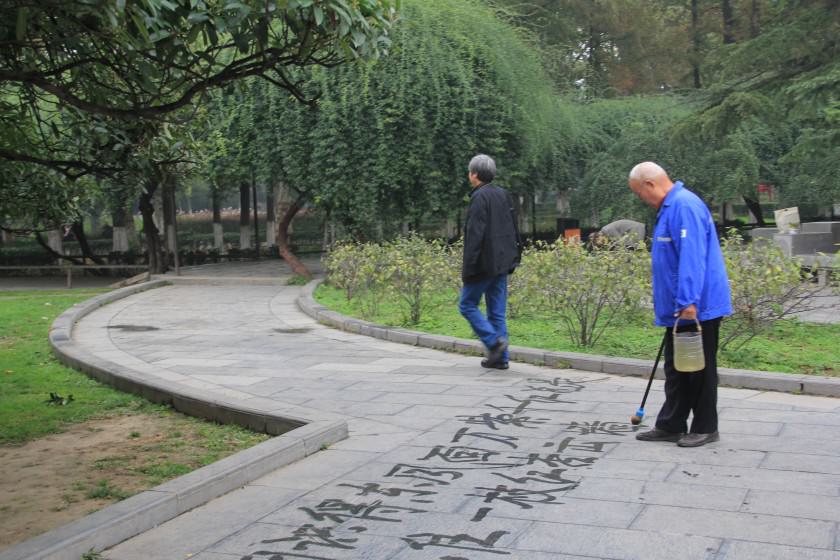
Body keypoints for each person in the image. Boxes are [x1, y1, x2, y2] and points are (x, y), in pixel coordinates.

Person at [629, 161, 732, 447]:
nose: (641, 199)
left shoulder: (684, 207)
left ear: (649, 184)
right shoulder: (670, 208)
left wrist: (688, 300)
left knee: (698, 367)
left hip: (696, 305)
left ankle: (705, 427)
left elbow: (692, 257)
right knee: (677, 367)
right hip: (678, 308)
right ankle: (672, 424)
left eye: (639, 193)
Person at [459, 154, 521, 369]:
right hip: (503, 263)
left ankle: (494, 344)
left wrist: (468, 269)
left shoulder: (479, 197)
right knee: (496, 312)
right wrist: (515, 257)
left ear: (474, 174)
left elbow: (474, 235)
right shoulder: (504, 195)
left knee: (466, 305)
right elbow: (514, 227)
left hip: (483, 264)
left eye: (469, 171)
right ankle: (501, 359)